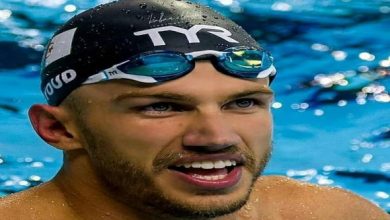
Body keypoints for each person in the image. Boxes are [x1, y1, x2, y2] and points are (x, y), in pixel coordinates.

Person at [0, 0, 388, 219]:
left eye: (243, 102)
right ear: (58, 129)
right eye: (161, 106)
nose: (216, 138)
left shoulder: (327, 215)